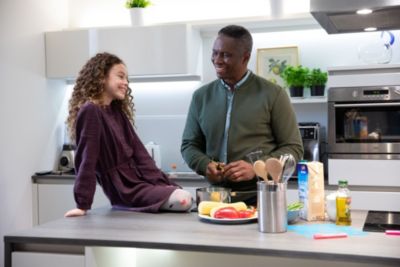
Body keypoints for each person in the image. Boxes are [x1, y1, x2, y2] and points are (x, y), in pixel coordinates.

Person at [181, 25, 303, 205]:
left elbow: (293, 148)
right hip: (213, 200)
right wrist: (204, 164)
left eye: (226, 55)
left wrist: (257, 167)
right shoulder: (201, 96)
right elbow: (189, 145)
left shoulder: (273, 94)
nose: (217, 60)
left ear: (245, 57)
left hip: (260, 200)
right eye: (215, 53)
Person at [64, 52, 192, 217]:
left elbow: (141, 155)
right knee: (185, 200)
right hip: (124, 189)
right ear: (102, 77)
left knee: (183, 195)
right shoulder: (91, 111)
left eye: (126, 78)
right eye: (120, 76)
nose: (126, 83)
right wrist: (82, 204)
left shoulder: (116, 112)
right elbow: (86, 161)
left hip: (139, 182)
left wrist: (165, 184)